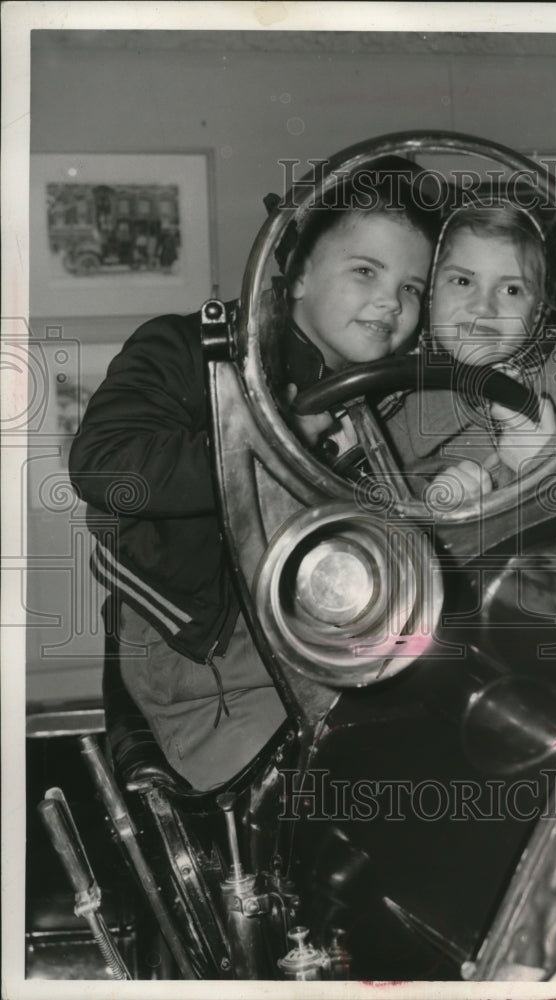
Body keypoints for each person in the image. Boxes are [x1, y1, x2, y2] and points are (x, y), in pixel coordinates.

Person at [69, 159, 439, 791]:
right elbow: (104, 461)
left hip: (337, 637)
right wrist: (272, 440)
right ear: (295, 275)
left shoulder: (395, 391)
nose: (390, 302)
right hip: (210, 663)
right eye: (366, 271)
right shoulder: (186, 351)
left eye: (412, 287)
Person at [382, 200, 556, 504]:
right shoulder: (394, 403)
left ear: (538, 311)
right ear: (430, 295)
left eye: (511, 290)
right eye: (463, 281)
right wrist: (432, 500)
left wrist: (552, 460)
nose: (483, 307)